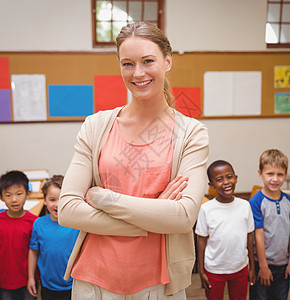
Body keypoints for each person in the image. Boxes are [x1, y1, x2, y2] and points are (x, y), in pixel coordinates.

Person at [58, 21, 209, 299]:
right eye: (127, 64)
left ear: (167, 61)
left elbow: (184, 217)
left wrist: (105, 199)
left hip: (158, 285)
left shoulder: (192, 133)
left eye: (147, 61)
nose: (137, 73)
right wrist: (156, 213)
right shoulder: (96, 125)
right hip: (93, 281)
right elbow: (67, 210)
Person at [195, 160, 255, 300]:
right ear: (212, 185)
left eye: (229, 177)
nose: (226, 182)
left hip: (240, 267)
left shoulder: (245, 206)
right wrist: (201, 271)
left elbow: (249, 237)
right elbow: (201, 240)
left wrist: (252, 267)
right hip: (214, 269)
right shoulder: (206, 209)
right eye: (219, 179)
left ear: (236, 178)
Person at [249, 149, 290, 300]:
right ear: (260, 173)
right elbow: (258, 235)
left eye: (280, 174)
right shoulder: (256, 202)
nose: (275, 179)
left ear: (285, 174)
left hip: (283, 264)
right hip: (262, 264)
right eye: (270, 174)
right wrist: (263, 266)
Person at [27, 175, 79, 299]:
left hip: (73, 285)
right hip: (48, 286)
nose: (57, 205)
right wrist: (30, 278)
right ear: (44, 200)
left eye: (61, 199)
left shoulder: (77, 224)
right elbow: (34, 252)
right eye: (52, 199)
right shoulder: (39, 224)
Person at [0, 170, 37, 300]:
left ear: (28, 194)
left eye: (19, 194)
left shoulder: (34, 222)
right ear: (1, 197)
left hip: (28, 279)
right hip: (5, 281)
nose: (14, 199)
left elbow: (37, 252)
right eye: (8, 195)